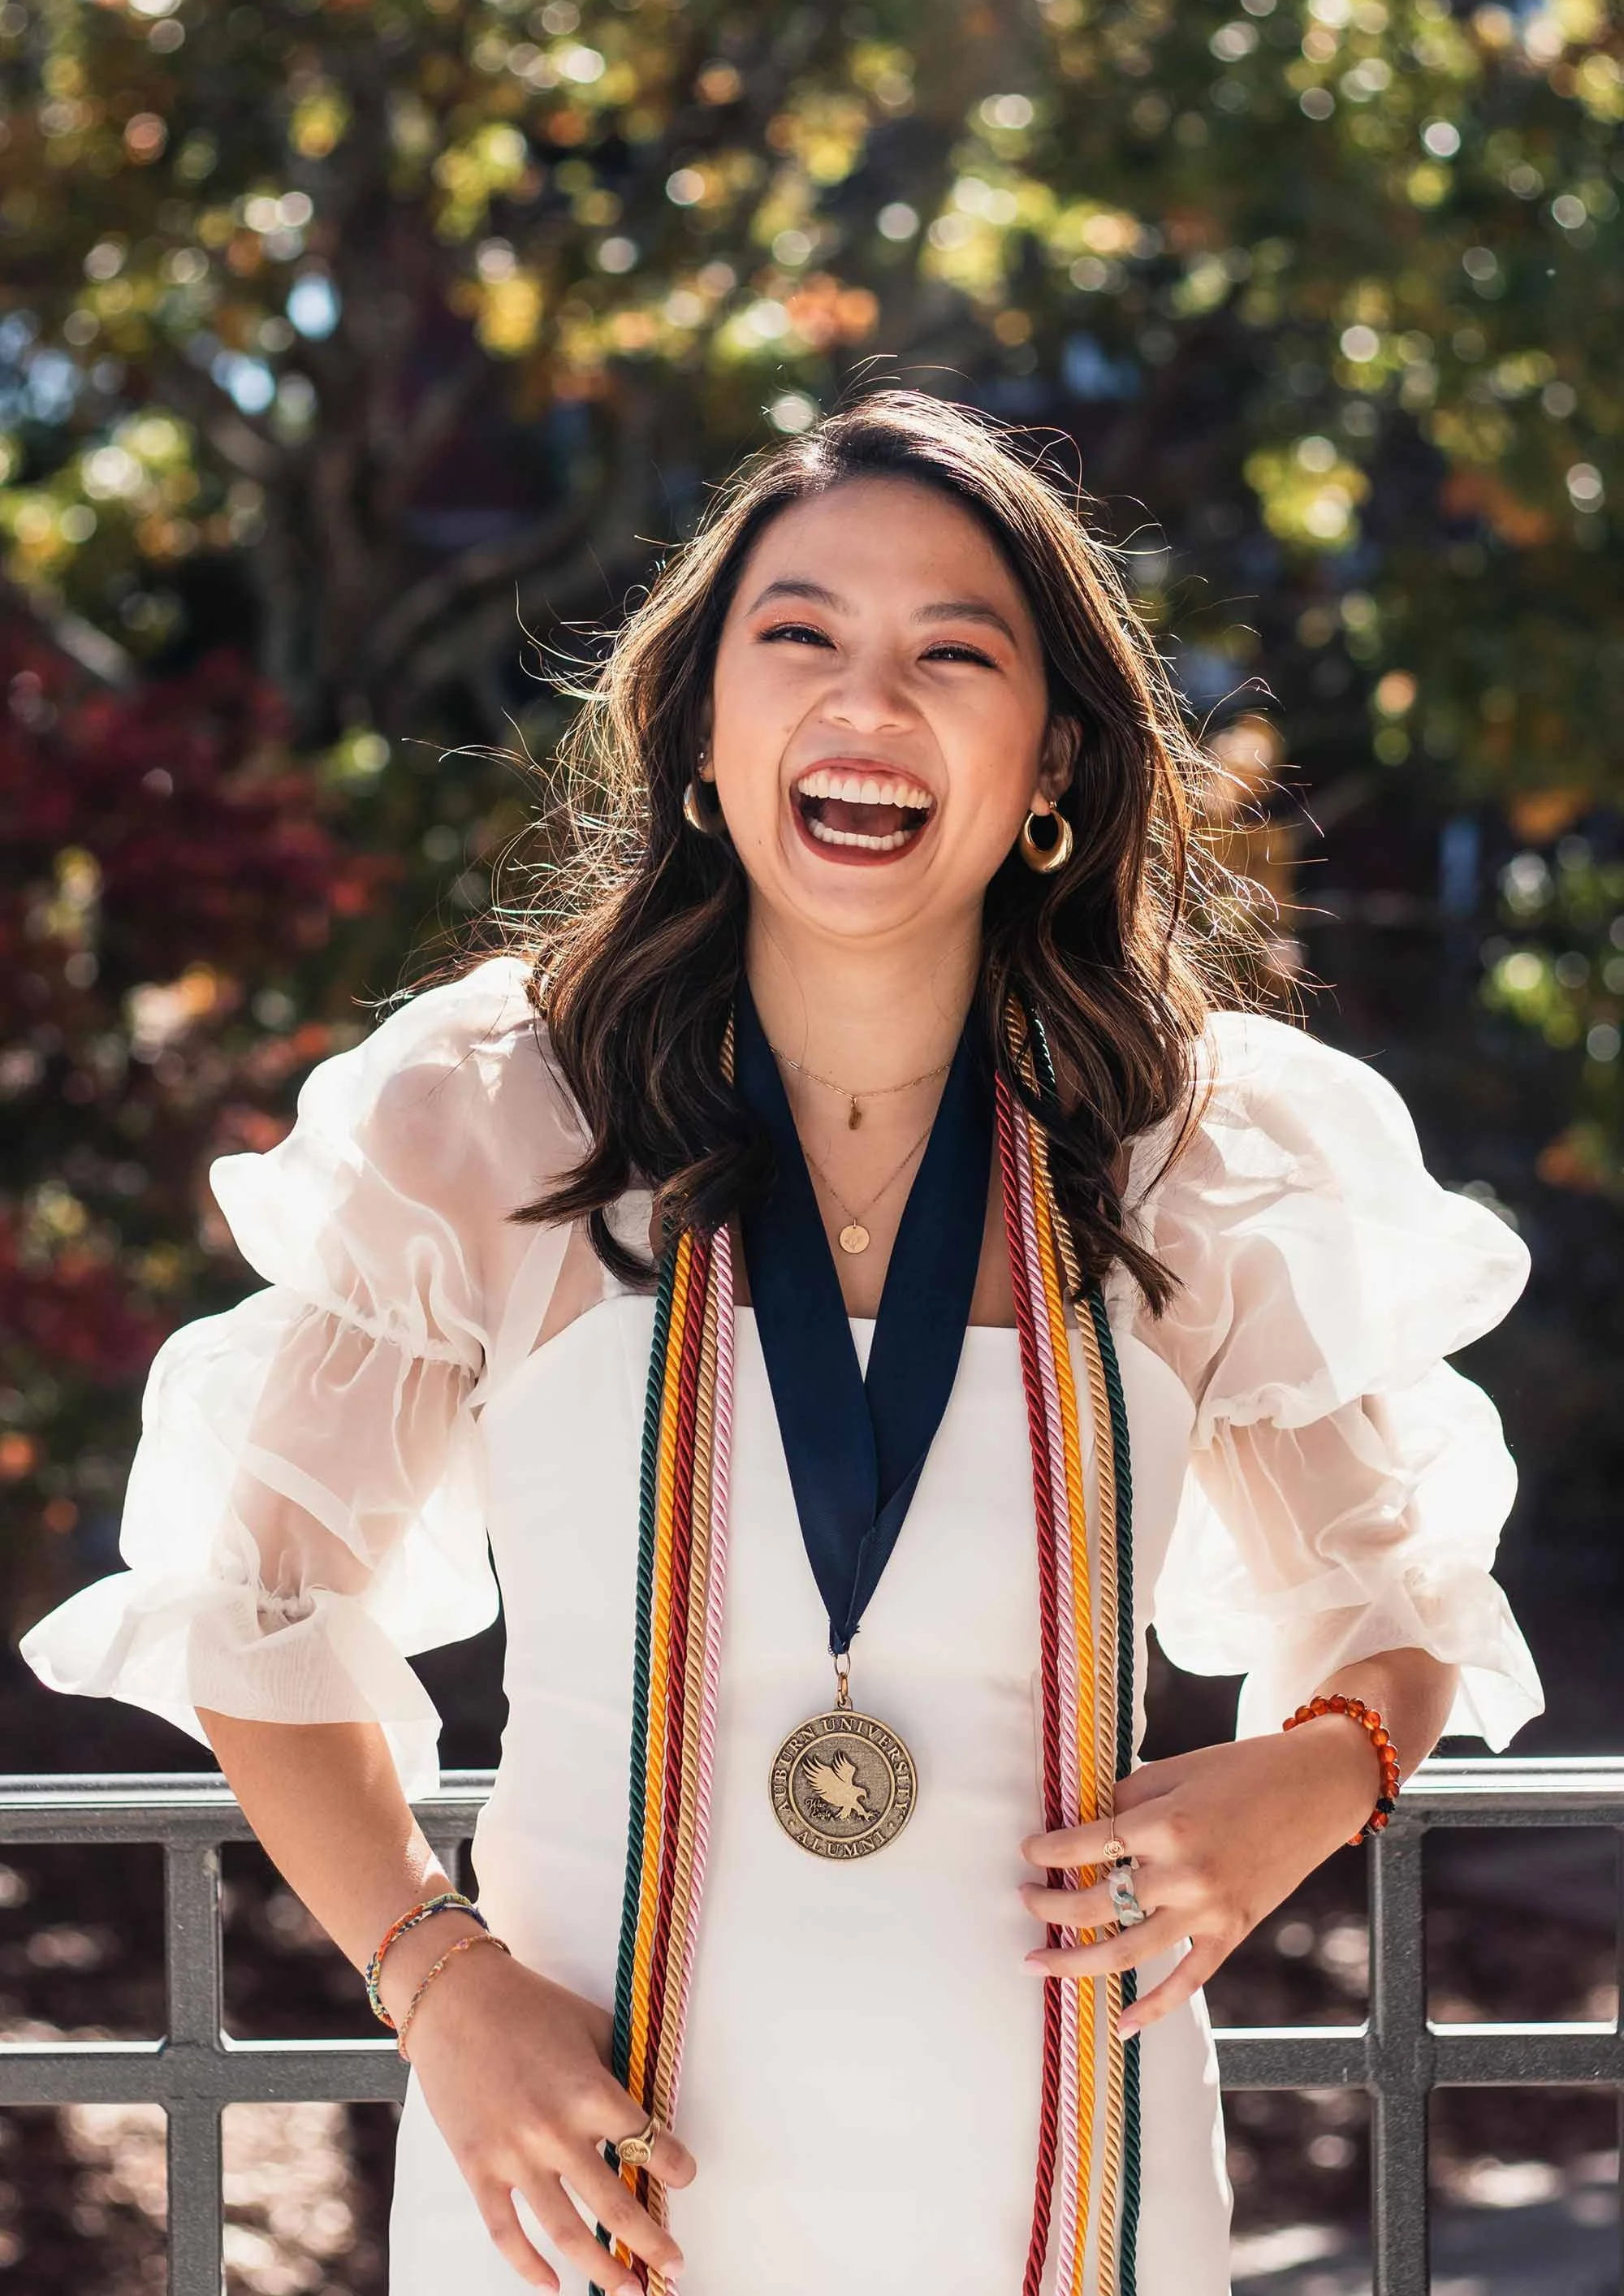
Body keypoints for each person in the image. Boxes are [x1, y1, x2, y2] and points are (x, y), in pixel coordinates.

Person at [23, 391, 1543, 2296]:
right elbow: (256, 1602)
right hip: (577, 2184)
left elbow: (1397, 1612)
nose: (868, 703)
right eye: (800, 638)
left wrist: (1303, 1784)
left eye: (952, 655)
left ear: (1051, 752)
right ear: (704, 729)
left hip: (1067, 2187)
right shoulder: (489, 1114)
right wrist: (443, 1989)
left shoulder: (1199, 1156)